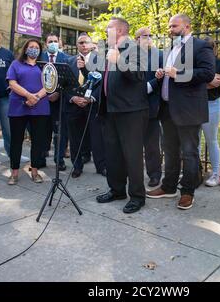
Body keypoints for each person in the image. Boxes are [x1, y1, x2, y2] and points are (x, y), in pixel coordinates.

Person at [146, 14, 215, 210]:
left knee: (189, 153)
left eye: (174, 25)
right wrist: (161, 74)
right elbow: (169, 75)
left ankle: (187, 192)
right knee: (169, 151)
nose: (170, 29)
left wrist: (180, 74)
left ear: (187, 25)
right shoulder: (170, 48)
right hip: (167, 108)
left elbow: (208, 73)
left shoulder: (201, 46)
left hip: (189, 110)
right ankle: (168, 187)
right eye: (169, 26)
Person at [96, 17, 149, 214]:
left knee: (132, 155)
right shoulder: (108, 51)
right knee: (113, 154)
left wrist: (118, 60)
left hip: (131, 111)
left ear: (119, 31)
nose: (105, 31)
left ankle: (137, 196)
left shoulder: (136, 49)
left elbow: (138, 75)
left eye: (108, 28)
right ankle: (117, 190)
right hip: (110, 110)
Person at [6, 39, 50, 185]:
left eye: (36, 47)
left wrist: (36, 97)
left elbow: (49, 85)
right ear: (25, 49)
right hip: (18, 107)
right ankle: (14, 173)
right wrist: (28, 96)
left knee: (38, 141)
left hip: (40, 108)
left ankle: (35, 171)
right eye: (31, 47)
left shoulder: (44, 66)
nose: (33, 49)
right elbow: (12, 83)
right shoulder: (16, 64)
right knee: (16, 141)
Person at [65, 33, 106, 178]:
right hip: (73, 106)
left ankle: (101, 166)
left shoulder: (100, 61)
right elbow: (64, 85)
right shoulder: (68, 61)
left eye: (86, 42)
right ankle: (77, 166)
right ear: (77, 45)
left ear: (91, 44)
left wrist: (91, 98)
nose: (83, 45)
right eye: (80, 42)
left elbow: (101, 83)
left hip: (93, 106)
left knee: (97, 138)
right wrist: (73, 98)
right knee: (75, 139)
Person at [135, 27, 163, 188]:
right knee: (133, 144)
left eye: (150, 35)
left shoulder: (159, 55)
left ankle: (154, 174)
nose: (149, 38)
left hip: (151, 105)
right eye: (145, 36)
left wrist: (151, 84)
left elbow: (163, 78)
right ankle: (134, 173)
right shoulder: (129, 56)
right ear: (136, 39)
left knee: (152, 144)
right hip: (131, 107)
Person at [0, 28, 19, 169]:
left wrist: (13, 86)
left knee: (8, 129)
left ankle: (13, 155)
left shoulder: (7, 54)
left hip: (6, 98)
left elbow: (15, 72)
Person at [40, 33, 70, 171]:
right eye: (50, 41)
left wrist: (58, 92)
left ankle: (59, 160)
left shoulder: (67, 59)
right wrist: (45, 94)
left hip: (60, 102)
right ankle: (41, 157)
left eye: (55, 41)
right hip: (42, 101)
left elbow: (69, 80)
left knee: (60, 132)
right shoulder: (40, 58)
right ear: (46, 44)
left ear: (59, 43)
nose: (52, 43)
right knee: (43, 130)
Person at [200, 37, 220, 187]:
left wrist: (194, 82)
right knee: (194, 140)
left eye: (210, 48)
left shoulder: (219, 63)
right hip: (194, 104)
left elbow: (215, 84)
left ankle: (216, 173)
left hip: (212, 104)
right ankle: (195, 171)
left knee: (211, 139)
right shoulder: (195, 62)